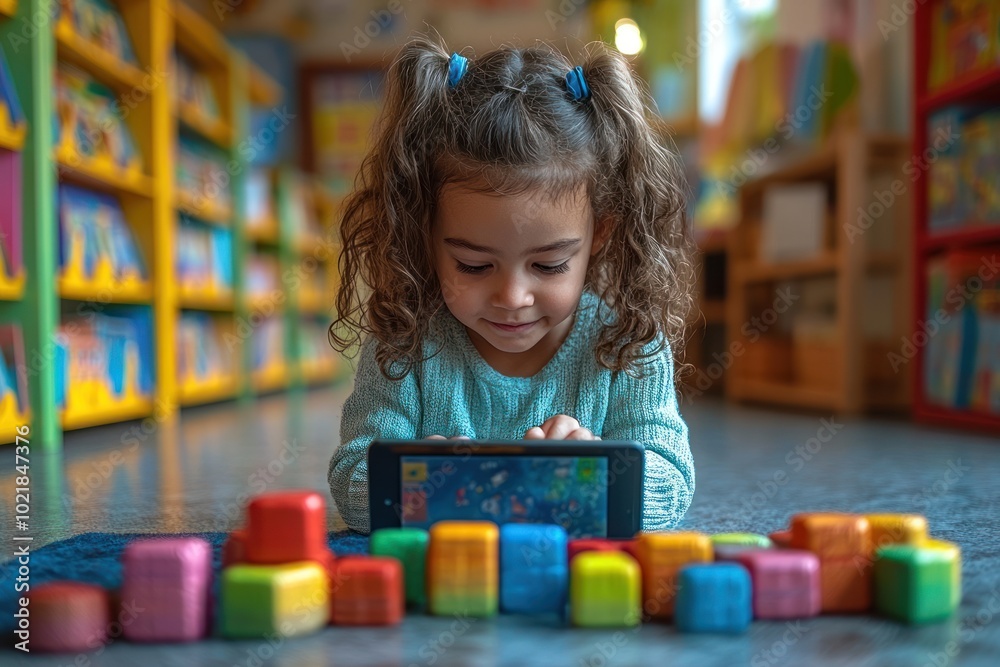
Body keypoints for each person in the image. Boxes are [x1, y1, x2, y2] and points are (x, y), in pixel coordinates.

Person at [327, 35, 696, 534]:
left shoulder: (628, 345)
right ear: (426, 234)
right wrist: (413, 474)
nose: (512, 297)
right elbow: (353, 481)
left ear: (600, 235)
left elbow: (672, 483)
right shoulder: (404, 343)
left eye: (548, 266)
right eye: (474, 266)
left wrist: (594, 471)